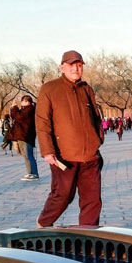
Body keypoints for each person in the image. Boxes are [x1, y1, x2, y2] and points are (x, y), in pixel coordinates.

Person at [35, 50, 104, 227]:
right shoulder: (50, 88)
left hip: (90, 156)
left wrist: (98, 139)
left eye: (79, 65)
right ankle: (43, 223)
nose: (76, 68)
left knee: (92, 200)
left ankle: (89, 235)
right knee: (63, 196)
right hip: (64, 156)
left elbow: (96, 117)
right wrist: (47, 151)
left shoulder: (86, 89)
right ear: (62, 67)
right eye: (72, 65)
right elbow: (42, 121)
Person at [9, 95, 39, 181]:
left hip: (26, 136)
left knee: (29, 155)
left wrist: (14, 107)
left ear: (27, 102)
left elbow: (19, 117)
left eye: (22, 101)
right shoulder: (24, 110)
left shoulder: (29, 109)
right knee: (25, 156)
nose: (21, 103)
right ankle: (30, 172)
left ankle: (35, 173)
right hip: (21, 135)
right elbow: (15, 117)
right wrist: (13, 108)